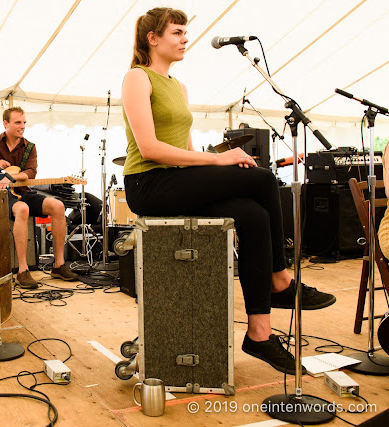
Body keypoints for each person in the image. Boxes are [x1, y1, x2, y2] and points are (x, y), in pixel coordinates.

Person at [121, 7, 336, 374]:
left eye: (185, 32)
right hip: (148, 183)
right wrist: (220, 162)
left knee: (254, 215)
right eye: (176, 32)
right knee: (264, 179)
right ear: (152, 39)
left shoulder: (178, 86)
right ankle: (280, 280)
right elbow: (150, 149)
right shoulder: (137, 78)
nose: (185, 39)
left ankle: (259, 333)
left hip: (176, 180)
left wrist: (213, 161)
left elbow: (187, 153)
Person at [0, 107, 78, 289]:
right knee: (22, 209)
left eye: (24, 122)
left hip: (23, 191)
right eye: (18, 122)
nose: (22, 126)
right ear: (6, 123)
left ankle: (58, 265)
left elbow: (31, 172)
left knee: (58, 206)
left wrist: (9, 179)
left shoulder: (29, 147)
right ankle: (23, 270)